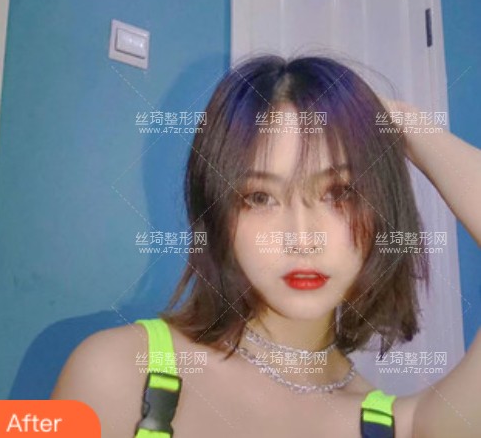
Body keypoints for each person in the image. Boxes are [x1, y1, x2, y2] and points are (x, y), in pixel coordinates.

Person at [51, 54, 481, 438]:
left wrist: (399, 121)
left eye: (339, 193)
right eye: (260, 197)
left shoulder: (398, 426)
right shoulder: (116, 371)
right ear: (219, 216)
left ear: (383, 207)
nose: (302, 238)